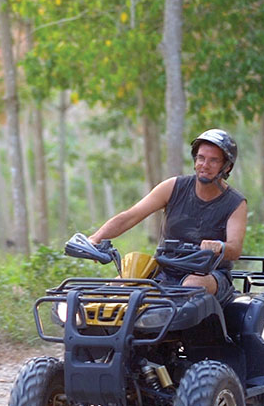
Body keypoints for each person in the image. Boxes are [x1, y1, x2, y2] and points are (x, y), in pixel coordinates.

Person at [88, 129, 247, 303]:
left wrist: (219, 246)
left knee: (191, 286)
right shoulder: (174, 187)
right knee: (120, 285)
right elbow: (130, 216)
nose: (205, 165)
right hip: (165, 268)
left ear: (227, 166)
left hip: (210, 273)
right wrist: (96, 238)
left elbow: (235, 248)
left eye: (213, 160)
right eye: (201, 158)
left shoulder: (235, 202)